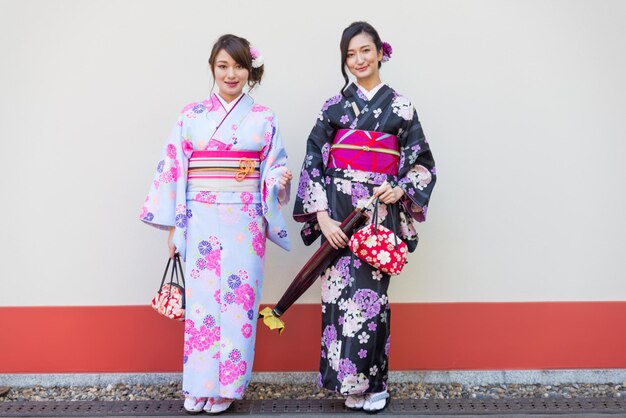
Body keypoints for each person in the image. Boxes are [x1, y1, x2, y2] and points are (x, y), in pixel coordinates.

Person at [140, 34, 292, 414]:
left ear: (249, 70)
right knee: (203, 304)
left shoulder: (264, 118)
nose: (231, 73)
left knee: (239, 303)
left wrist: (277, 180)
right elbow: (174, 171)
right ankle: (198, 384)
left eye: (239, 66)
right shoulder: (191, 116)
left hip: (245, 218)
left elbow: (274, 166)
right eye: (223, 66)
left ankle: (228, 387)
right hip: (199, 216)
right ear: (213, 68)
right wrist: (176, 227)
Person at [292, 21, 436, 413]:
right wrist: (321, 216)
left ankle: (373, 385)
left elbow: (421, 163)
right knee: (338, 296)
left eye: (365, 51)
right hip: (337, 213)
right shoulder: (333, 108)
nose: (358, 60)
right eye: (350, 54)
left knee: (370, 297)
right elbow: (313, 160)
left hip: (378, 211)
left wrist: (401, 187)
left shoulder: (401, 106)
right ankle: (346, 384)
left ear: (380, 52)